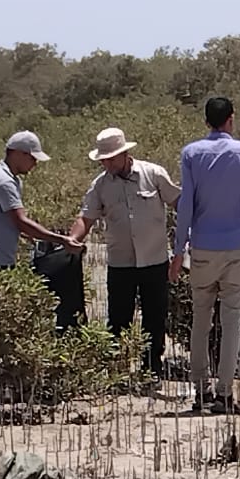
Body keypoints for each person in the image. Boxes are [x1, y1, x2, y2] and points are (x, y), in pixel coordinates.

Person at [170, 97, 240, 416]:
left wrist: (178, 250)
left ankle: (201, 391)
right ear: (231, 119)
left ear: (206, 121)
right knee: (231, 321)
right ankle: (225, 393)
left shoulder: (191, 153)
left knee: (201, 320)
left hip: (201, 248)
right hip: (235, 248)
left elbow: (186, 205)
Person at [68, 127, 181, 379]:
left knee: (155, 316)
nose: (106, 164)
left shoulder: (154, 174)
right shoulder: (100, 185)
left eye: (110, 159)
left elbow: (179, 203)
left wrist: (187, 237)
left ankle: (152, 367)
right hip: (121, 263)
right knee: (119, 318)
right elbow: (86, 217)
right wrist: (72, 240)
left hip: (155, 260)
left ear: (124, 154)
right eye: (103, 160)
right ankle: (116, 369)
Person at [0, 131, 79, 269]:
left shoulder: (7, 178)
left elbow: (8, 219)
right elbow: (21, 222)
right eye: (32, 158)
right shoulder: (4, 181)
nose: (35, 163)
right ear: (18, 154)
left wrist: (28, 233)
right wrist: (62, 240)